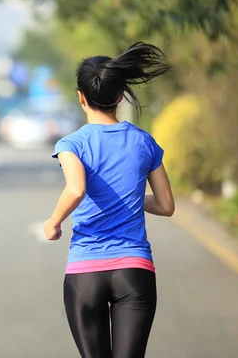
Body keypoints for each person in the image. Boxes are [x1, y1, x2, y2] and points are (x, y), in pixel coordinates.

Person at [43, 42, 176, 358]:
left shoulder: (72, 144)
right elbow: (167, 206)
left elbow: (76, 190)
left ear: (81, 97)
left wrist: (53, 222)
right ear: (119, 97)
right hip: (135, 271)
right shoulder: (144, 142)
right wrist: (129, 197)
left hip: (85, 271)